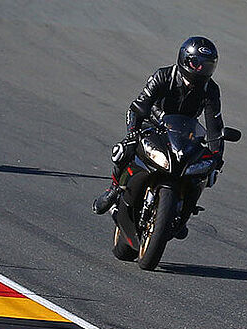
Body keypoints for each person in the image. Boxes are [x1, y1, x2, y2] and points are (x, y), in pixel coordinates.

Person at [91, 36, 225, 226]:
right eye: (196, 64)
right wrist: (132, 132)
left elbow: (215, 125)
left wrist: (217, 155)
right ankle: (114, 189)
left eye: (207, 66)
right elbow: (138, 106)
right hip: (152, 125)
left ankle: (183, 213)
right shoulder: (163, 76)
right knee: (124, 150)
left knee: (204, 170)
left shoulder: (211, 89)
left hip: (183, 134)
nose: (200, 70)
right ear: (184, 59)